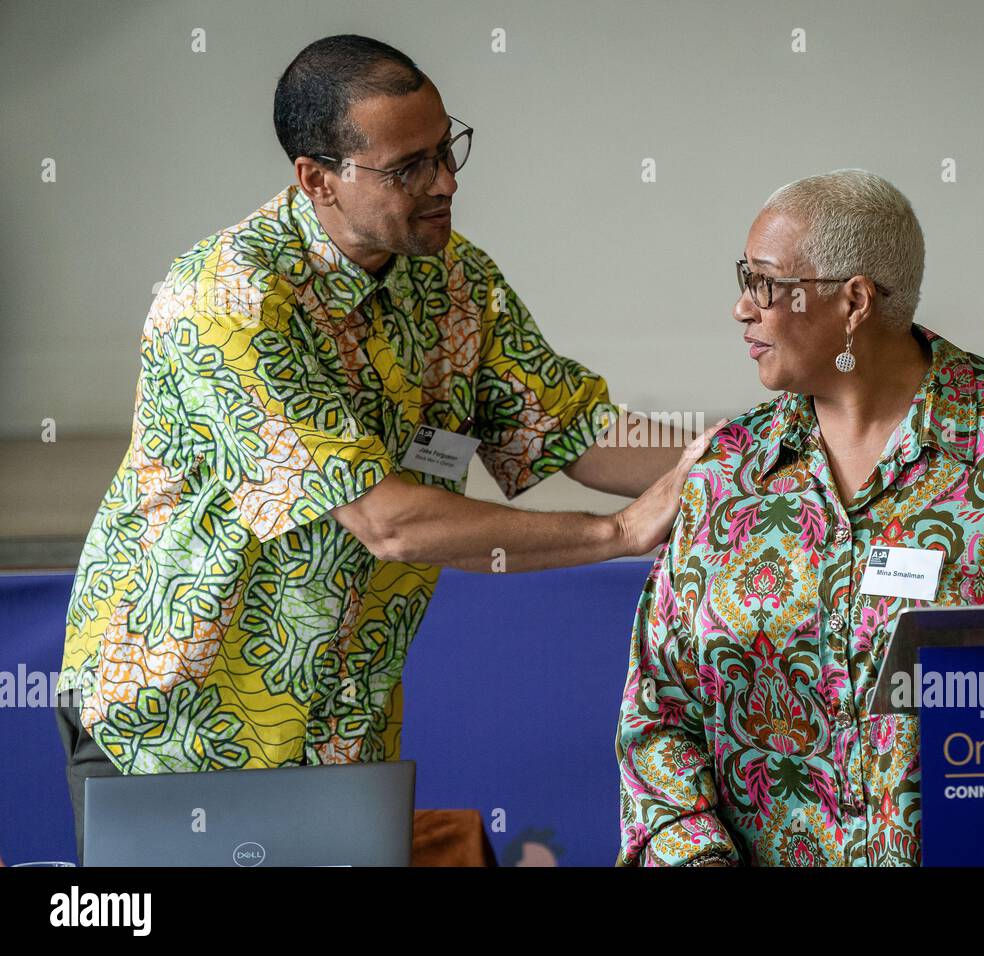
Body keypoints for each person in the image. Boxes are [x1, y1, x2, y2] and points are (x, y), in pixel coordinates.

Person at [56, 34, 721, 864]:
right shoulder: (226, 298)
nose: (443, 182)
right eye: (408, 167)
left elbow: (578, 432)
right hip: (182, 721)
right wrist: (617, 534)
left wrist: (753, 455)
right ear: (318, 178)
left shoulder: (454, 280)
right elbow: (388, 522)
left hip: (343, 723)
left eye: (447, 151)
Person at [615, 169, 984, 867]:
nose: (742, 308)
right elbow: (657, 715)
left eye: (765, 283)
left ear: (854, 301)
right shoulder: (730, 472)